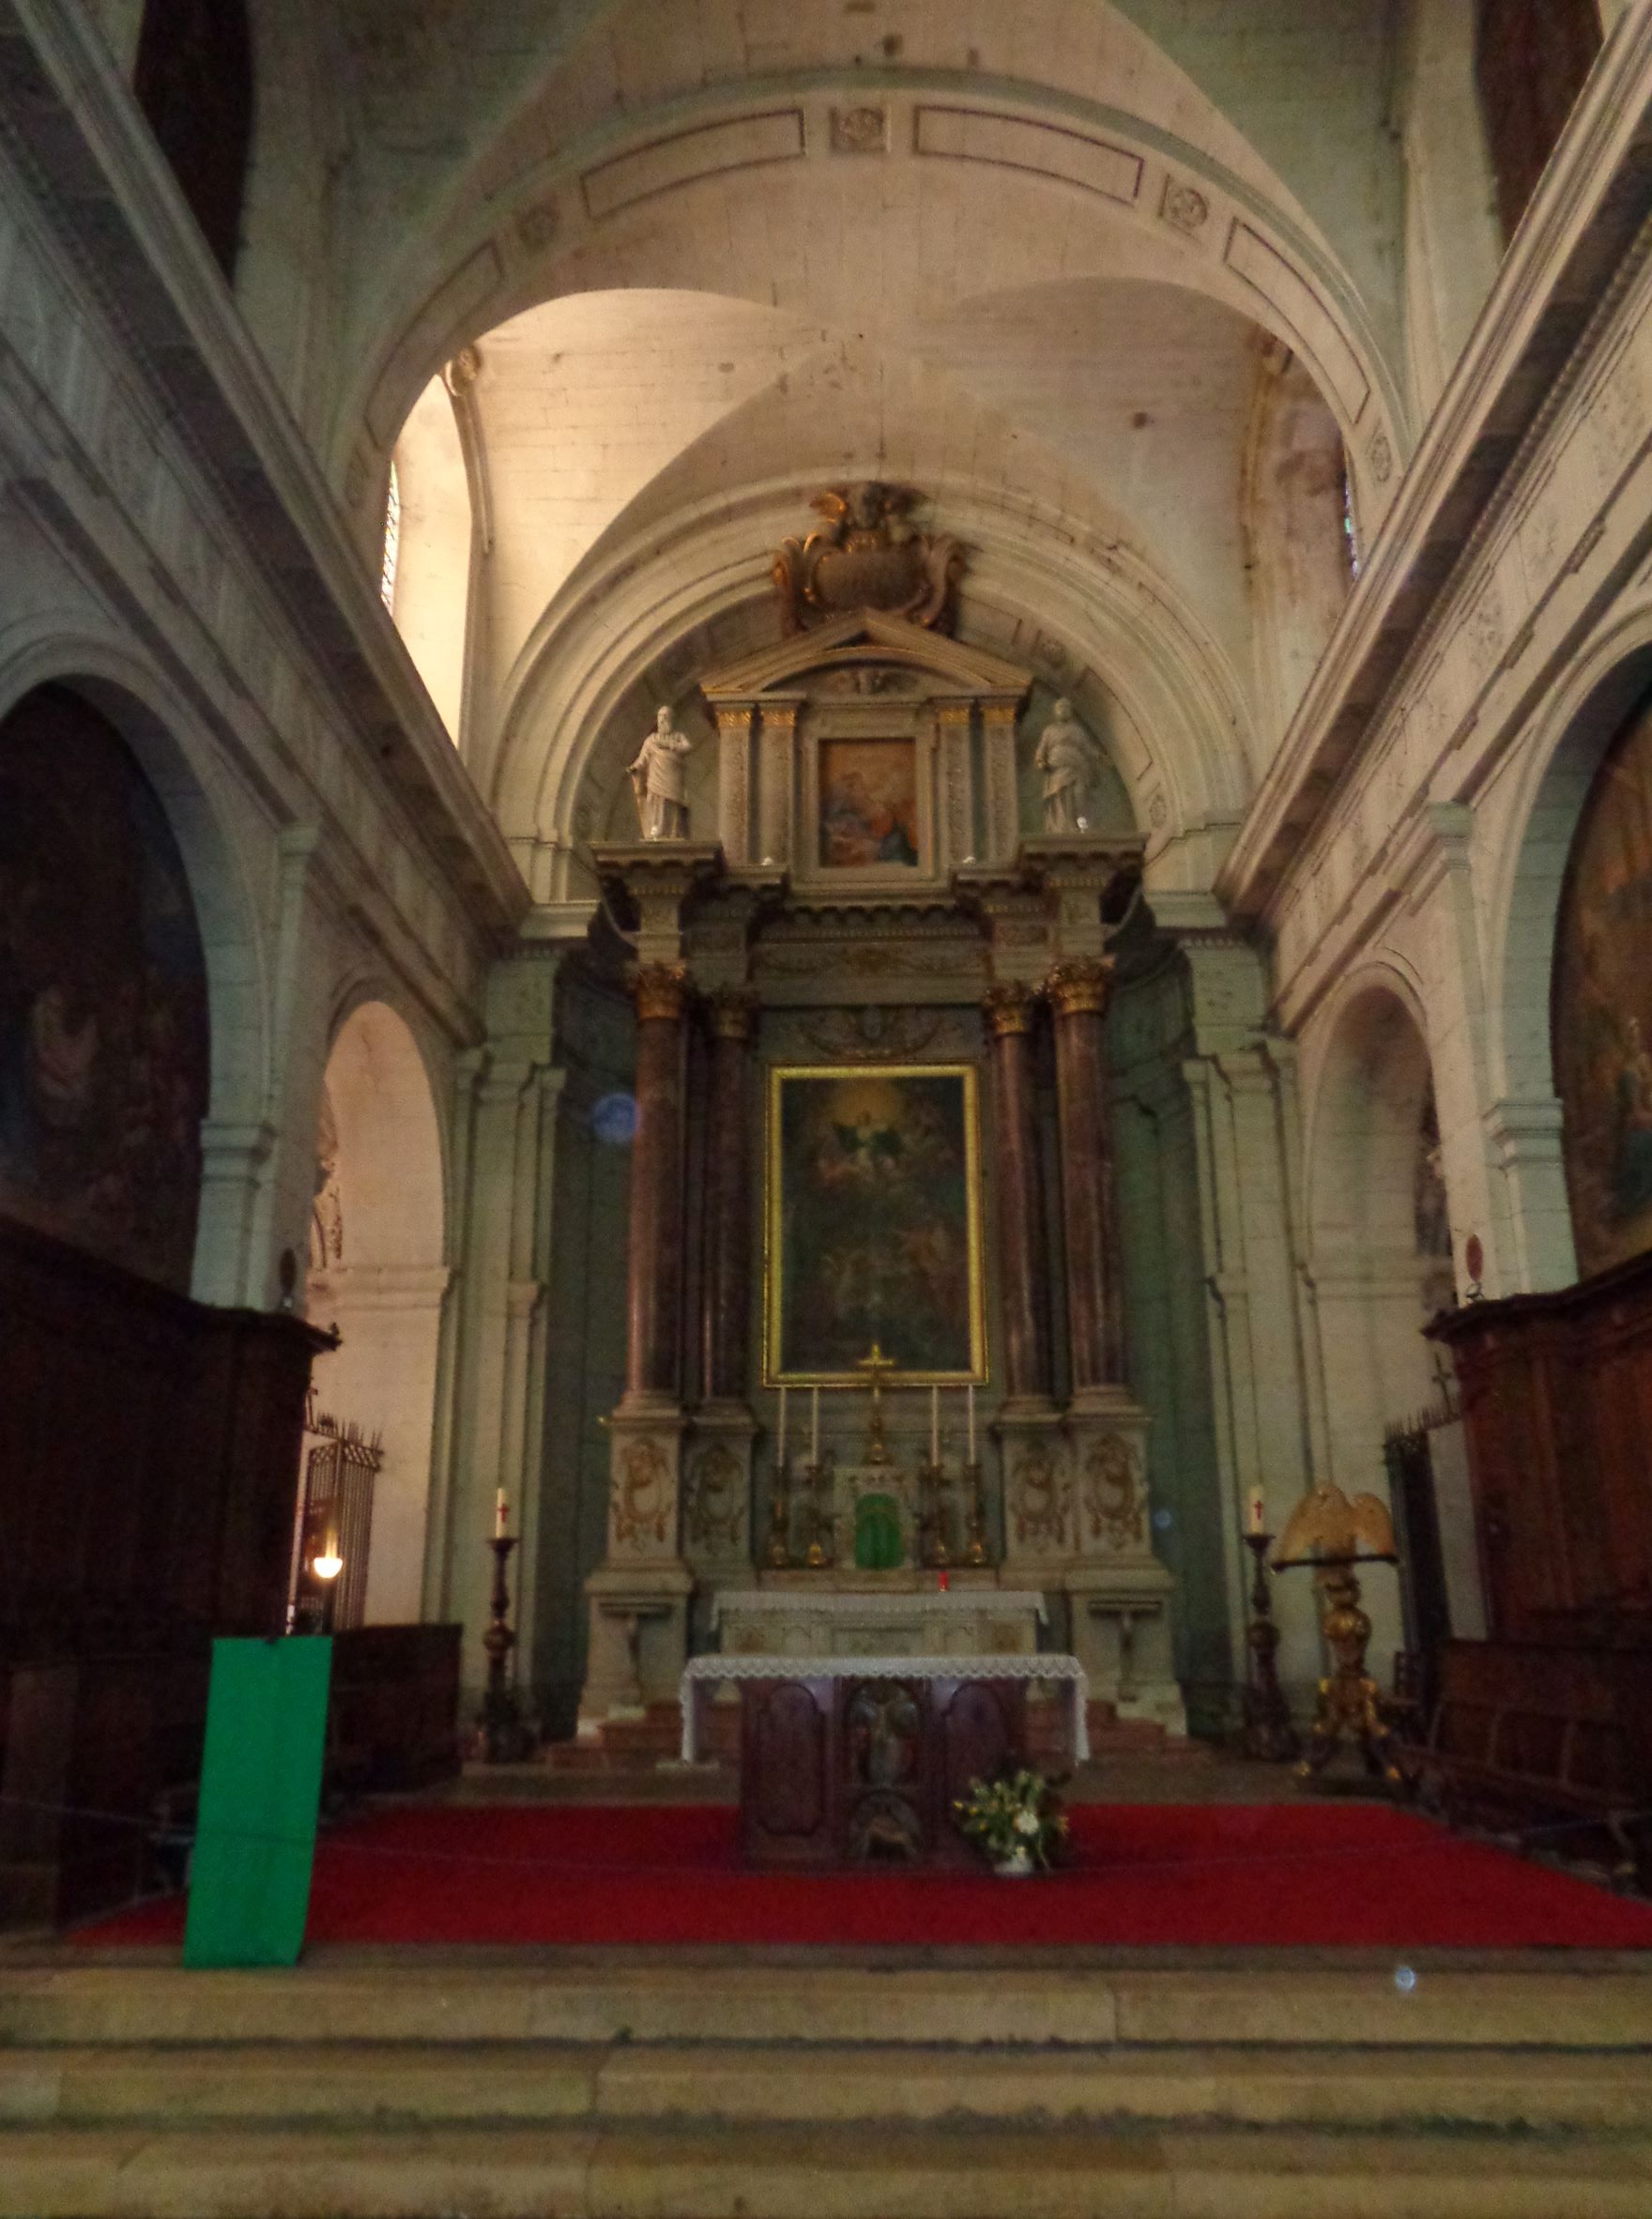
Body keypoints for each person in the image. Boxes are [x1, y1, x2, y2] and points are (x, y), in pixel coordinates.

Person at [628, 706, 692, 840]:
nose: (662, 721)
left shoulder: (677, 737)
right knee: (656, 803)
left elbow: (688, 747)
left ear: (671, 720)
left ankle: (673, 832)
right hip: (656, 778)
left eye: (665, 717)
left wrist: (671, 745)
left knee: (672, 804)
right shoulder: (651, 740)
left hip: (673, 778)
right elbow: (642, 759)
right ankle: (657, 830)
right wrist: (635, 768)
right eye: (660, 718)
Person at [1035, 697, 1096, 834]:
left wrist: (1099, 756)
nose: (1063, 710)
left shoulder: (1077, 730)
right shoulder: (1049, 731)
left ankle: (1080, 825)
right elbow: (1042, 749)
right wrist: (1040, 761)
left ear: (1071, 711)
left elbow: (1087, 748)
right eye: (1060, 707)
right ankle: (1063, 827)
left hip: (1077, 767)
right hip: (1057, 770)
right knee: (1060, 797)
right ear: (1055, 711)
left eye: (1066, 708)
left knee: (1078, 796)